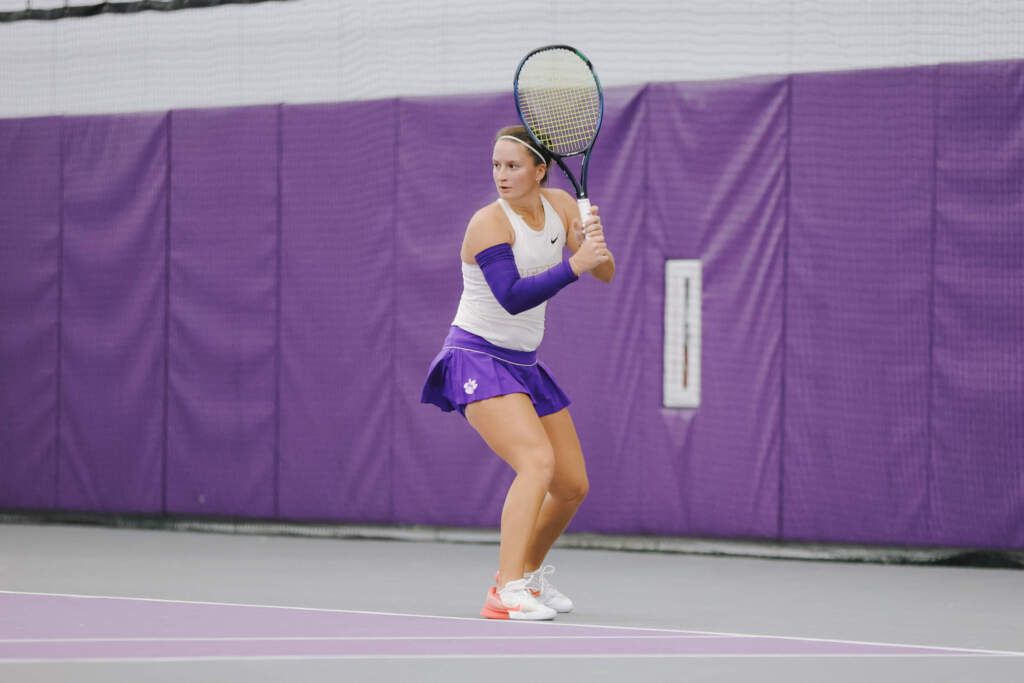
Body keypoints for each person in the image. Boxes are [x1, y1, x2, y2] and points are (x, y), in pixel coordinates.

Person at [421, 125, 615, 620]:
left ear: (539, 170)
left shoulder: (562, 206)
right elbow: (510, 297)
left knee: (571, 484)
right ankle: (504, 592)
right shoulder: (487, 223)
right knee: (535, 462)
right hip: (475, 356)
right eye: (496, 165)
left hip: (524, 363)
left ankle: (526, 575)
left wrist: (592, 244)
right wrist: (574, 265)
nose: (501, 175)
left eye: (512, 166)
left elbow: (606, 272)